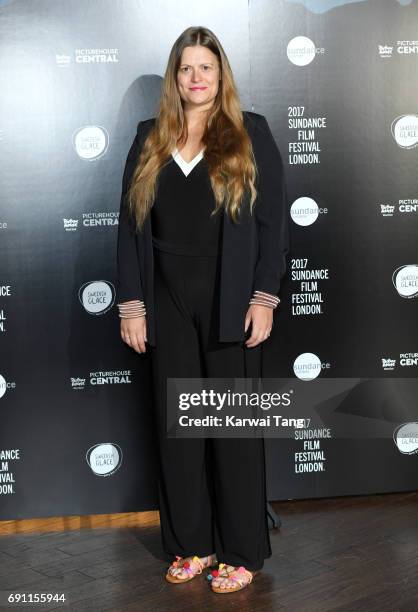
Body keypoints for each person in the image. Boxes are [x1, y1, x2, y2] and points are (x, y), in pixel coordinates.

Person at [116, 26, 289, 594]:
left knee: (233, 431)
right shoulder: (150, 137)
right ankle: (192, 542)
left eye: (206, 68)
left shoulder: (249, 132)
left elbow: (272, 225)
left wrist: (264, 298)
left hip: (230, 299)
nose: (196, 78)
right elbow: (130, 227)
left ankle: (241, 550)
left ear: (221, 75)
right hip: (166, 300)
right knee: (181, 432)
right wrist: (133, 305)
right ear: (175, 76)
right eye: (186, 68)